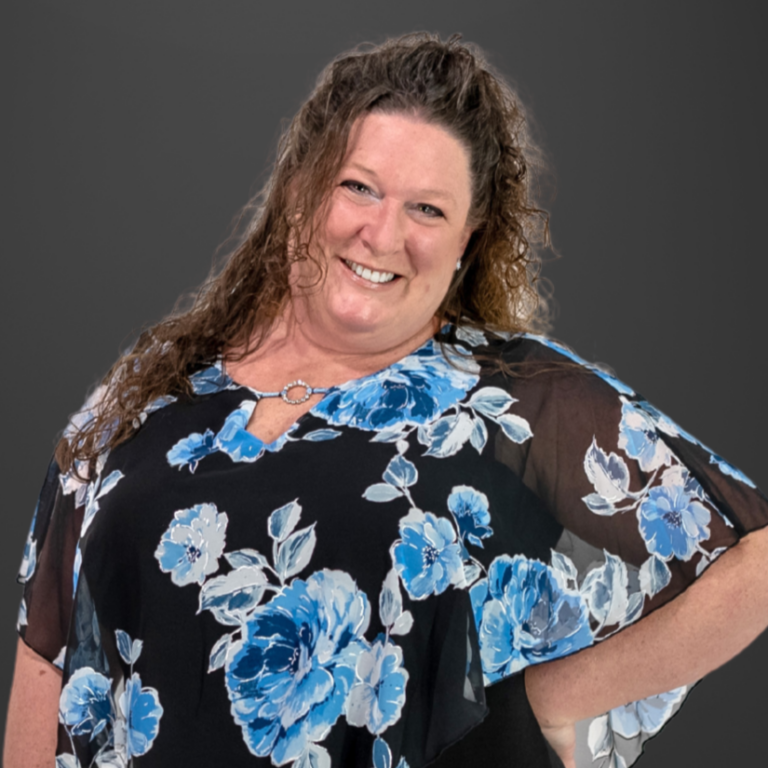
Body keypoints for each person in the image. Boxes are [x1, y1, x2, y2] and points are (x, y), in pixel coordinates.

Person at [4, 32, 768, 768]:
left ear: (469, 237)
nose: (381, 233)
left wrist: (554, 701)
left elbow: (754, 563)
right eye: (359, 188)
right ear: (304, 191)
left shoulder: (507, 400)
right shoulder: (152, 392)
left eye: (427, 210)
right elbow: (47, 652)